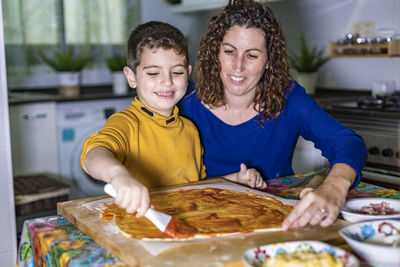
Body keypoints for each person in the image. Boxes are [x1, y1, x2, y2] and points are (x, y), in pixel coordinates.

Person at [178, 0, 367, 229]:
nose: (238, 66)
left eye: (252, 55)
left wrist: (334, 187)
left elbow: (347, 142)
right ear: (215, 52)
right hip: (198, 220)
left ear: (269, 61)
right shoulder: (183, 101)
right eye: (229, 51)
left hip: (276, 222)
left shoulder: (290, 99)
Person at [81, 21, 267, 218]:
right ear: (131, 77)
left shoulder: (189, 130)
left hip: (186, 222)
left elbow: (196, 186)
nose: (167, 82)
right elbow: (93, 154)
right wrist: (118, 176)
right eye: (153, 73)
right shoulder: (126, 123)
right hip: (139, 224)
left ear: (187, 74)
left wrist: (235, 179)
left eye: (176, 72)